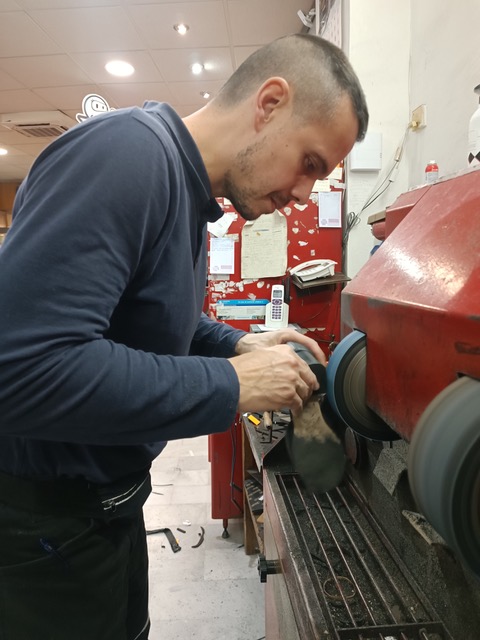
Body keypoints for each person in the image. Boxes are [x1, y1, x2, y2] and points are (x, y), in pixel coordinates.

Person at [0, 33, 368, 640]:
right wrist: (229, 383)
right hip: (42, 535)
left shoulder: (189, 191)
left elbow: (155, 318)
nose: (305, 194)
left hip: (106, 514)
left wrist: (235, 345)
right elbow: (27, 368)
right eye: (310, 163)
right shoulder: (128, 157)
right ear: (270, 103)